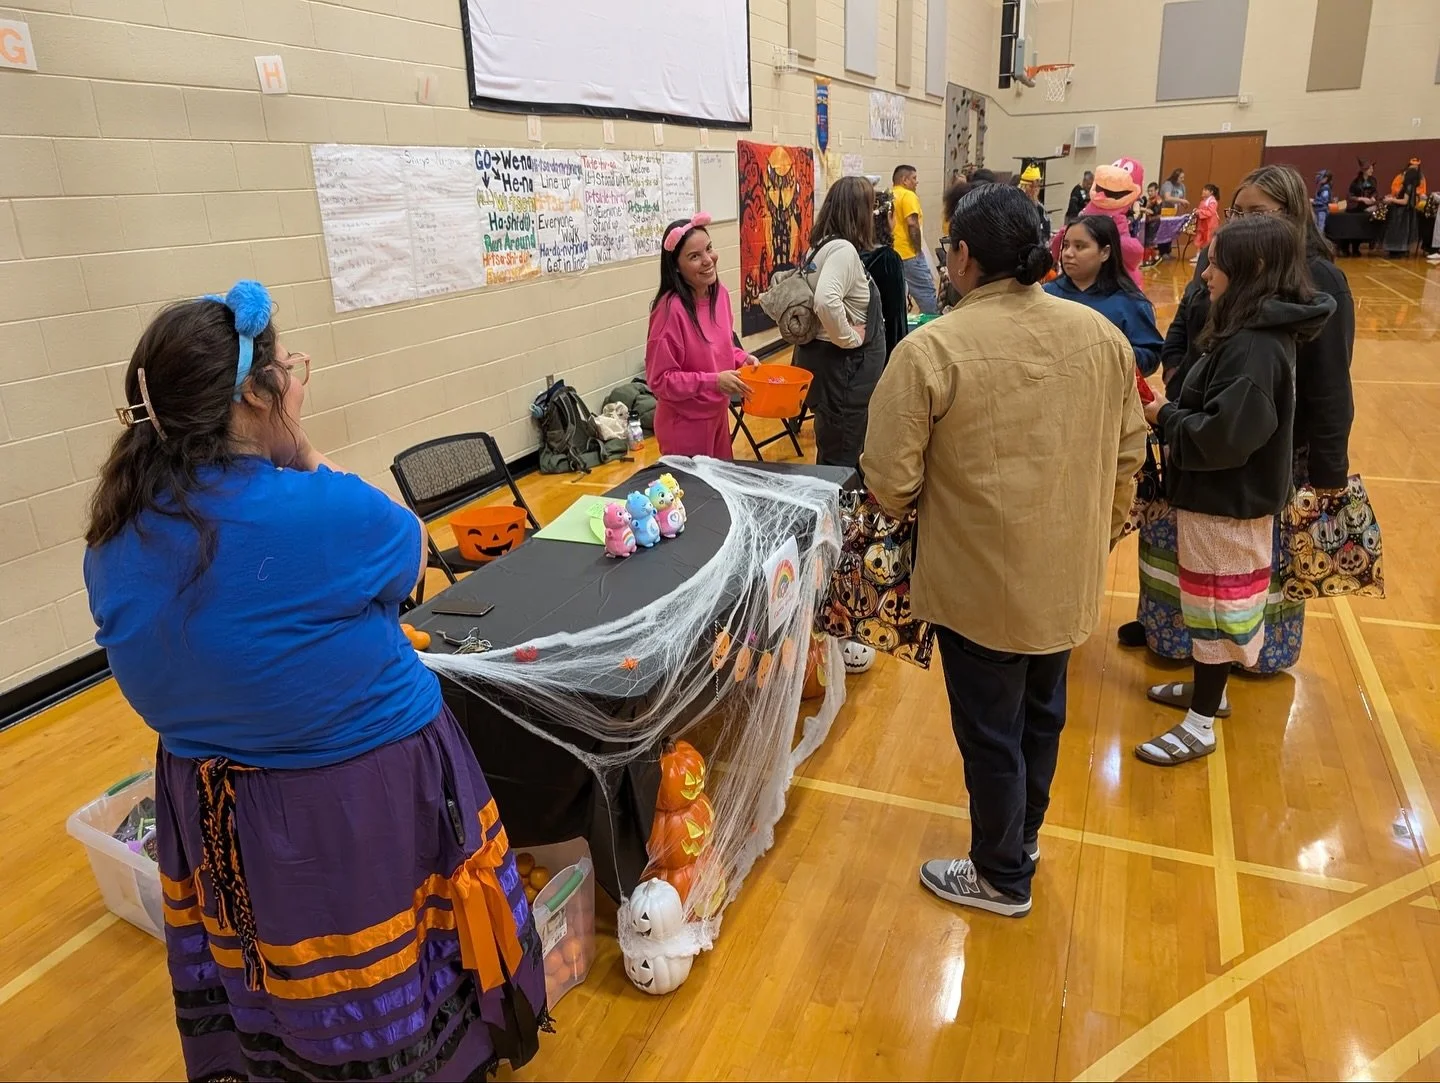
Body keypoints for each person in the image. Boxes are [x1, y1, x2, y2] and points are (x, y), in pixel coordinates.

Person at [83, 282, 548, 1081]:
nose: (299, 382)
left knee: (280, 975)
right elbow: (408, 562)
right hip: (353, 800)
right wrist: (302, 453)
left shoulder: (115, 535)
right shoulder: (317, 509)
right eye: (290, 370)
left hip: (216, 805)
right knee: (386, 972)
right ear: (257, 396)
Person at [861, 184, 1146, 916]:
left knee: (991, 731)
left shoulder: (931, 349)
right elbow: (1129, 456)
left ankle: (1000, 874)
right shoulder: (1102, 338)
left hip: (979, 585)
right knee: (1042, 716)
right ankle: (1022, 839)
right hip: (1066, 577)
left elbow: (890, 482)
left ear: (961, 257)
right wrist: (1096, 531)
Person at [1123, 163, 1354, 683]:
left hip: (1250, 447)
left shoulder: (1316, 286)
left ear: (1287, 221)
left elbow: (1329, 383)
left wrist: (1328, 468)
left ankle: (1236, 663)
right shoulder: (1219, 263)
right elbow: (1185, 323)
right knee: (1187, 553)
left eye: (1256, 214)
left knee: (1241, 571)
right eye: (1236, 211)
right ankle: (1178, 637)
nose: (1239, 222)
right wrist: (1183, 375)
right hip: (1195, 426)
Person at [1134, 216, 1335, 766]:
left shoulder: (1253, 347)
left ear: (1255, 268)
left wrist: (1165, 415)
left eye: (1217, 262)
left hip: (1227, 503)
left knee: (1219, 609)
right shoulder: (1248, 332)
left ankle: (1200, 723)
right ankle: (1210, 691)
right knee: (1207, 603)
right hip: (1219, 500)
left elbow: (1225, 437)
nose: (1205, 273)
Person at [645, 212, 757, 458]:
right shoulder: (669, 310)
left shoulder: (720, 295)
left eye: (709, 249)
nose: (708, 260)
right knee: (694, 495)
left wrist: (740, 358)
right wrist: (713, 381)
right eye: (695, 256)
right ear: (676, 266)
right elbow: (660, 381)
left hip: (717, 415)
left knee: (719, 490)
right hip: (683, 425)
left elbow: (720, 346)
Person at [793, 175, 887, 470]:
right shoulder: (843, 251)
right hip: (844, 373)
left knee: (834, 447)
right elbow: (825, 300)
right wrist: (849, 337)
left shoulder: (818, 248)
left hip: (830, 370)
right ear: (858, 211)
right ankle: (842, 514)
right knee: (843, 458)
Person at [1045, 215, 1165, 378]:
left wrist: (1105, 355)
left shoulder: (1130, 302)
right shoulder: (1047, 295)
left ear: (1105, 252)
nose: (1068, 253)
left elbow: (1150, 357)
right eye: (1066, 246)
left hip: (1107, 397)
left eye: (1079, 246)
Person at [863, 184, 910, 359]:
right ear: (889, 216)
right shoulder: (888, 259)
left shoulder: (851, 251)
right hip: (882, 349)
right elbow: (896, 317)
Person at [892, 164, 938, 314]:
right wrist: (917, 250)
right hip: (908, 253)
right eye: (914, 178)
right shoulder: (908, 195)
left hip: (892, 252)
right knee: (926, 291)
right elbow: (912, 224)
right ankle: (932, 325)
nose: (916, 182)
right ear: (904, 180)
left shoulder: (889, 195)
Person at [1383, 159, 1427, 258]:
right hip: (1405, 213)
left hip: (1401, 213)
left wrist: (1392, 200)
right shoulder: (1410, 186)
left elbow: (1405, 201)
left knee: (1398, 233)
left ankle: (1396, 250)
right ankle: (1399, 250)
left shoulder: (1408, 186)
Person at [1337, 161, 1379, 257]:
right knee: (1352, 228)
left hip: (1366, 208)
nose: (1372, 170)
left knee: (1361, 229)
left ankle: (1357, 248)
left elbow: (1375, 192)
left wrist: (1373, 197)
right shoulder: (1356, 182)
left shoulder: (1373, 180)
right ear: (1364, 170)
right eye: (1370, 169)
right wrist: (1361, 199)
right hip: (1355, 209)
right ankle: (1345, 248)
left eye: (1372, 168)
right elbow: (1350, 196)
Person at [1157, 168, 1189, 261]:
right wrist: (1181, 200)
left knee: (1171, 231)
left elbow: (1183, 198)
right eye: (1181, 177)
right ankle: (1162, 251)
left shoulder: (1182, 186)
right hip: (1166, 211)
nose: (1182, 179)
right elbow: (1167, 198)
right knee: (1164, 231)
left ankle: (1168, 251)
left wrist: (1183, 203)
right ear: (1176, 177)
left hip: (1175, 212)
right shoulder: (1168, 184)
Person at [1189, 183, 1221, 262]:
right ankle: (1198, 256)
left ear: (1211, 192)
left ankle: (1207, 257)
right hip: (1202, 224)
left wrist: (1199, 212)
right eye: (1203, 189)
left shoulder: (1212, 201)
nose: (1203, 191)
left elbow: (1210, 212)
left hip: (1210, 224)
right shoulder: (1204, 201)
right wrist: (1197, 211)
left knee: (1208, 241)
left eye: (1206, 190)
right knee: (1199, 239)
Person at [1139, 181, 1163, 266]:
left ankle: (1146, 261)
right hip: (1149, 222)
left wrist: (1144, 210)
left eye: (1152, 191)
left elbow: (1154, 211)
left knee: (1148, 241)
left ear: (1157, 191)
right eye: (1148, 191)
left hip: (1154, 222)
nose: (1150, 193)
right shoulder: (1149, 199)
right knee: (1148, 241)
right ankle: (1155, 257)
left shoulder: (1158, 200)